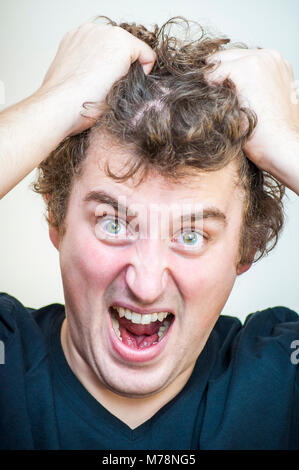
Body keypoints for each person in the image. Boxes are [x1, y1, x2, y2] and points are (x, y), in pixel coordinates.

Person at [0, 17, 298, 450]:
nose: (145, 284)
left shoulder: (283, 378)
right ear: (57, 220)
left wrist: (287, 144)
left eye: (192, 236)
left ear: (246, 247)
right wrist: (56, 101)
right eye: (114, 224)